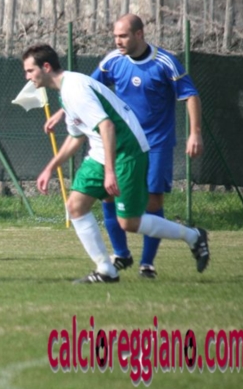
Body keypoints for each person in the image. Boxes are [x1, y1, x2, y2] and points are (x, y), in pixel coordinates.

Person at [22, 43, 209, 283]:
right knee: (75, 207)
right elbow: (76, 137)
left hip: (127, 151)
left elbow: (107, 126)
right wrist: (50, 168)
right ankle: (106, 270)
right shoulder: (65, 91)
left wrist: (110, 172)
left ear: (46, 67)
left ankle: (193, 236)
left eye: (30, 70)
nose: (27, 77)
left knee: (130, 222)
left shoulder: (75, 89)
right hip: (101, 152)